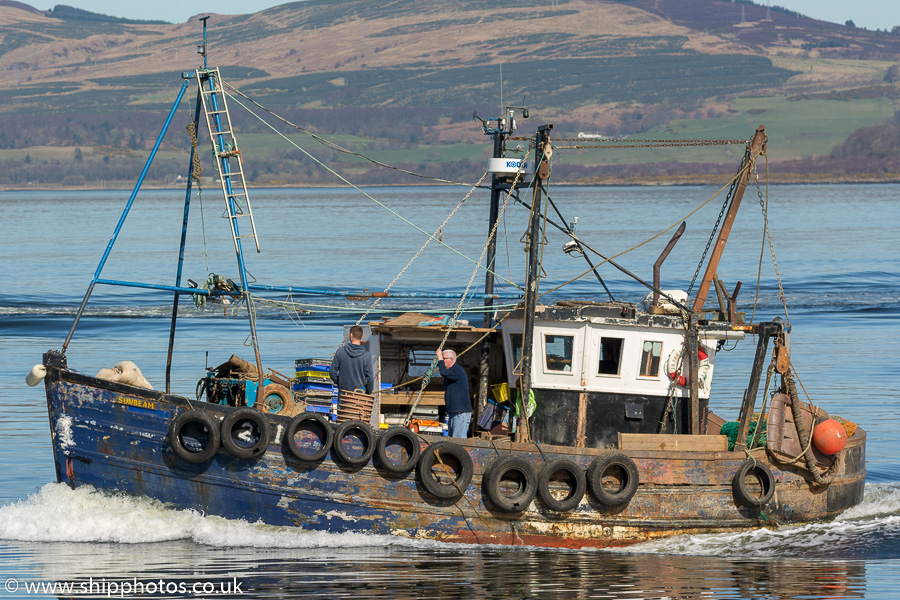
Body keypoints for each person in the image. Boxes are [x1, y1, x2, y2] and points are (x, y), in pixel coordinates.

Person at [435, 348, 471, 438]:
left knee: (458, 441)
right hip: (453, 412)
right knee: (452, 441)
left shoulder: (457, 370)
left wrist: (439, 357)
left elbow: (443, 372)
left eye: (444, 359)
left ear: (451, 360)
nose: (442, 361)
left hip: (460, 413)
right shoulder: (451, 373)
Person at [331, 325, 374, 394]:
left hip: (344, 393)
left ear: (351, 335)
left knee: (343, 405)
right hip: (360, 393)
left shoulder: (340, 351)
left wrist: (340, 383)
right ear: (362, 337)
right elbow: (370, 378)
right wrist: (368, 392)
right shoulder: (367, 356)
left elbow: (332, 372)